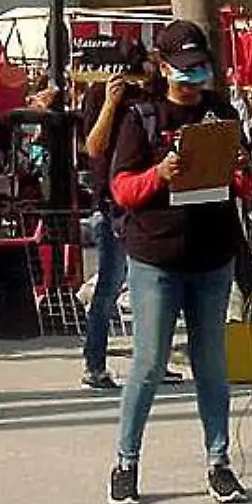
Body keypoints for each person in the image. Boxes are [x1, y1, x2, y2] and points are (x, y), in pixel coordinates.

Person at [106, 19, 252, 504]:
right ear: (163, 67)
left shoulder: (220, 112)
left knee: (211, 365)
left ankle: (219, 461)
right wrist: (160, 173)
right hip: (157, 257)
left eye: (200, 68)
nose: (193, 79)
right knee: (148, 362)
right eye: (183, 69)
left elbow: (244, 183)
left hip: (213, 256)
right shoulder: (141, 116)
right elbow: (122, 189)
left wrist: (239, 173)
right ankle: (125, 462)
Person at [75, 41, 179, 391]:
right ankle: (95, 363)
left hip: (150, 196)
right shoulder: (99, 94)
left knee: (154, 285)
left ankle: (154, 361)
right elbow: (93, 146)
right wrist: (110, 103)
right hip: (112, 201)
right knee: (110, 284)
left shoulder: (156, 97)